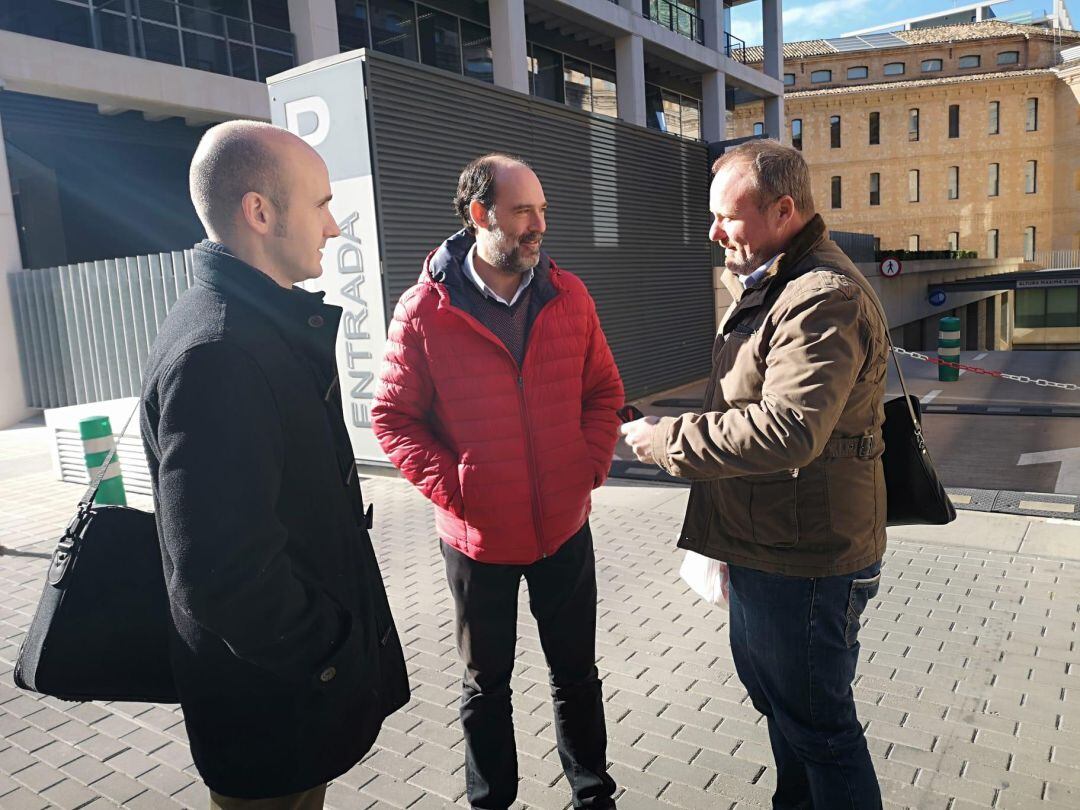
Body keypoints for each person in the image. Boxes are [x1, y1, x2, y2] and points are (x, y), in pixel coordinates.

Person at [140, 121, 409, 809]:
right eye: (320, 204)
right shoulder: (222, 353)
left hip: (279, 701)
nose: (334, 228)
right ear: (260, 212)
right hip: (270, 711)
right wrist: (330, 658)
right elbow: (224, 577)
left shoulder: (248, 326)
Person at [621, 139, 889, 810]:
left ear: (785, 209)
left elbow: (789, 428)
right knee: (789, 716)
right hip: (769, 540)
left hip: (803, 558)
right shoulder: (772, 282)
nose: (713, 233)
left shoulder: (818, 297)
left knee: (821, 732)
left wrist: (666, 439)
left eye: (727, 217)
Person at [371, 153, 622, 810]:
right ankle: (492, 803)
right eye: (523, 212)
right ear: (480, 214)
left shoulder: (570, 296)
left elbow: (603, 392)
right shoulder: (425, 310)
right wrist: (462, 491)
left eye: (543, 211)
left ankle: (593, 797)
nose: (540, 225)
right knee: (488, 686)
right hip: (477, 541)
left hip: (565, 529)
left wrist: (587, 467)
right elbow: (393, 419)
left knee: (576, 676)